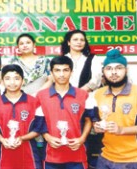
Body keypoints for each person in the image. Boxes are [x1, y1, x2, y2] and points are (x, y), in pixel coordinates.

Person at [35, 56, 94, 169]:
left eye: (65, 70)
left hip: (77, 155)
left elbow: (88, 120)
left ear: (71, 72)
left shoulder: (83, 95)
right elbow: (39, 122)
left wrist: (82, 139)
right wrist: (47, 137)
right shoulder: (41, 96)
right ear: (51, 73)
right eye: (57, 70)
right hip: (51, 156)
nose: (61, 74)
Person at [0, 64, 42, 169]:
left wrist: (22, 138)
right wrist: (2, 139)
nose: (12, 82)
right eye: (7, 78)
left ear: (22, 81)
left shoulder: (34, 102)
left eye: (16, 78)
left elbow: (39, 128)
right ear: (2, 82)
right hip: (2, 158)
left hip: (29, 157)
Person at [61, 30, 103, 168]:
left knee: (90, 139)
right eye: (75, 39)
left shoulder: (93, 59)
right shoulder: (62, 60)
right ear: (68, 42)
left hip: (88, 101)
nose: (79, 42)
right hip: (65, 103)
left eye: (82, 40)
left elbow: (96, 80)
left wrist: (78, 93)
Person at [92, 49, 137, 169]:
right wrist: (95, 126)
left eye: (119, 68)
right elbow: (94, 120)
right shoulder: (98, 94)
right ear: (103, 72)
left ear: (126, 70)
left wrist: (121, 130)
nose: (114, 72)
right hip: (105, 158)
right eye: (109, 69)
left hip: (133, 160)